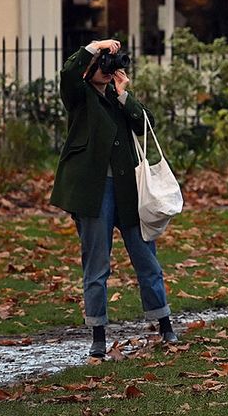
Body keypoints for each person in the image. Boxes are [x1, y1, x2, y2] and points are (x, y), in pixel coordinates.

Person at [50, 38, 176, 358]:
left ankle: (164, 324)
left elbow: (146, 124)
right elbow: (68, 73)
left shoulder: (118, 97)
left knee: (146, 257)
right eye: (102, 66)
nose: (107, 71)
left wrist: (124, 96)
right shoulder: (79, 97)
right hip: (94, 192)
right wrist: (94, 47)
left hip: (127, 189)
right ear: (90, 67)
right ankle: (98, 336)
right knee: (97, 265)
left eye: (111, 65)